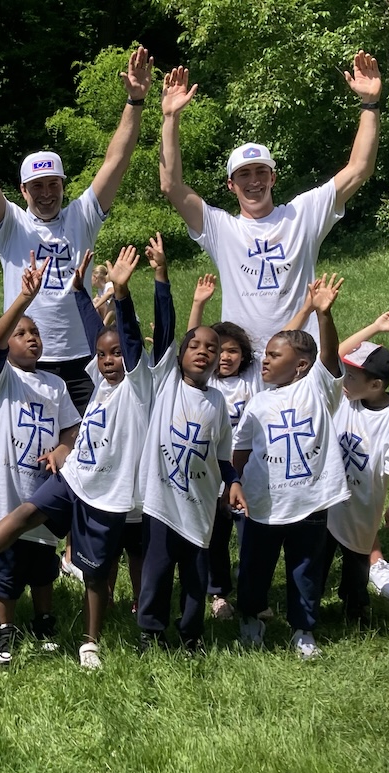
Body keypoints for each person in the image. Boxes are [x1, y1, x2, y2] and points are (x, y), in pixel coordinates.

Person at [0, 242, 171, 668]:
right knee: (22, 516)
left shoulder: (136, 384)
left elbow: (127, 342)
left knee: (88, 569)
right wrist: (67, 293)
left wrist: (120, 293)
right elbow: (86, 337)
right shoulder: (74, 381)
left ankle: (88, 641)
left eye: (116, 355)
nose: (108, 360)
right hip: (73, 478)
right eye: (102, 357)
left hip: (106, 489)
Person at [0, 46, 152, 412]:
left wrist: (135, 101)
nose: (47, 194)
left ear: (63, 185)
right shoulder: (10, 224)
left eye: (54, 185)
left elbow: (117, 159)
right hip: (27, 359)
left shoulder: (82, 216)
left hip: (85, 356)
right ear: (23, 190)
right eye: (38, 186)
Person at [159, 52, 381, 351]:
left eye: (262, 172)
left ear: (273, 178)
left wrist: (369, 104)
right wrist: (171, 117)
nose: (254, 182)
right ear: (230, 184)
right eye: (244, 175)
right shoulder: (220, 229)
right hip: (242, 362)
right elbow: (171, 185)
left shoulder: (302, 215)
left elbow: (359, 169)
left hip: (301, 358)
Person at [0, 258, 80, 667]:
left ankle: (45, 621)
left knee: (43, 566)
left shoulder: (55, 384)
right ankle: (4, 631)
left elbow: (71, 428)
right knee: (7, 573)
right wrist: (24, 298)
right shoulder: (0, 381)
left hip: (43, 492)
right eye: (21, 333)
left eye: (34, 332)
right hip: (8, 495)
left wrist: (63, 450)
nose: (30, 338)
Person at [233, 275, 349, 659]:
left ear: (300, 366)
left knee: (305, 569)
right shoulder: (257, 403)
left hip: (310, 500)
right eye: (265, 354)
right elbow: (242, 451)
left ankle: (303, 630)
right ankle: (251, 617)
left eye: (274, 356)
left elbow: (329, 358)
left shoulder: (317, 387)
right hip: (263, 502)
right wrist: (233, 484)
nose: (264, 360)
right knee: (254, 567)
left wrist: (324, 315)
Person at [137, 261, 245, 654]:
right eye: (195, 347)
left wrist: (231, 481)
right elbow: (168, 331)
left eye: (212, 348)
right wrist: (162, 277)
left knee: (196, 577)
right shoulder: (165, 384)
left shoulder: (217, 401)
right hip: (162, 502)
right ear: (180, 355)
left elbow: (221, 453)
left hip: (201, 508)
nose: (203, 353)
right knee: (157, 572)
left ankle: (191, 636)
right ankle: (150, 634)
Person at [321, 313, 389, 618]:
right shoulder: (346, 398)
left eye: (351, 377)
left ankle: (355, 609)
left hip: (363, 506)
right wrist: (374, 326)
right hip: (328, 499)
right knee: (317, 558)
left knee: (356, 561)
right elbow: (337, 354)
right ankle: (309, 607)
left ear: (375, 384)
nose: (343, 380)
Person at [187, 273, 264, 620]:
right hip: (214, 473)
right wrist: (198, 304)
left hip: (249, 474)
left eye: (234, 351)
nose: (227, 357)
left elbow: (285, 342)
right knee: (216, 537)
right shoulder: (208, 382)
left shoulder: (255, 378)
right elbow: (190, 343)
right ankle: (218, 595)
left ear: (245, 355)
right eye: (222, 350)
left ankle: (253, 594)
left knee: (252, 537)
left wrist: (307, 306)